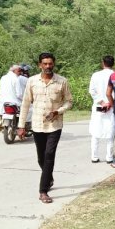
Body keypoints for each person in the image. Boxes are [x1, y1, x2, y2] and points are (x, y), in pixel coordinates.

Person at [18, 53, 73, 204]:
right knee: (41, 157)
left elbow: (69, 102)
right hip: (37, 125)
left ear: (54, 64)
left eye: (50, 64)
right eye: (45, 64)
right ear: (39, 65)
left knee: (49, 155)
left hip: (54, 125)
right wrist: (21, 126)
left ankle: (43, 191)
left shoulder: (62, 81)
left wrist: (58, 111)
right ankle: (48, 177)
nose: (48, 66)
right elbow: (25, 104)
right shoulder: (32, 81)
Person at [88, 55, 115, 165]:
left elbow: (92, 91)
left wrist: (101, 102)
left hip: (98, 106)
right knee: (111, 132)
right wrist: (109, 103)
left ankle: (94, 156)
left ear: (102, 63)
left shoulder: (95, 75)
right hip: (111, 106)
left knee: (96, 132)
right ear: (113, 64)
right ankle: (109, 157)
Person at [18, 64, 33, 132]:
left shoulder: (14, 78)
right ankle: (27, 124)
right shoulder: (25, 79)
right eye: (27, 71)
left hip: (15, 100)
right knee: (32, 109)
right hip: (23, 99)